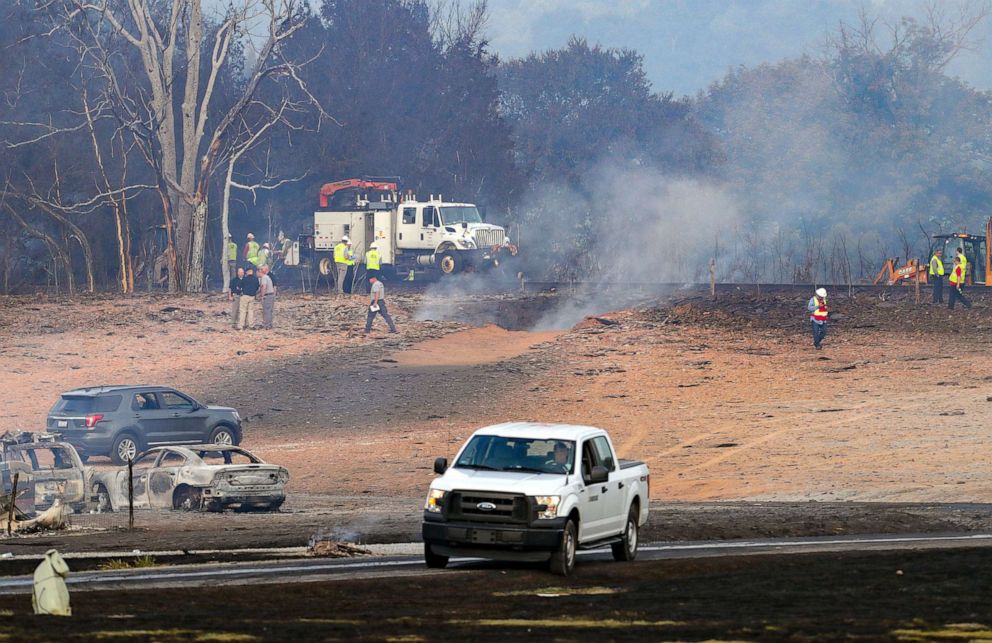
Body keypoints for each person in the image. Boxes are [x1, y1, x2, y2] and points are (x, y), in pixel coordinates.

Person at [238, 265, 260, 330]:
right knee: (251, 311)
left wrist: (241, 290)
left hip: (244, 296)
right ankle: (251, 325)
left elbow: (239, 286)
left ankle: (241, 325)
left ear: (247, 272)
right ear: (252, 272)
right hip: (252, 296)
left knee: (243, 311)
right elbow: (257, 287)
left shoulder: (244, 279)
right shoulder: (255, 279)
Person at [258, 264, 275, 330]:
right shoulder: (267, 277)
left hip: (267, 295)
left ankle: (267, 325)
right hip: (271, 295)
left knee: (266, 310)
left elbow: (264, 287)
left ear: (260, 271)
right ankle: (270, 324)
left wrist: (262, 295)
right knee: (270, 310)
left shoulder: (264, 278)